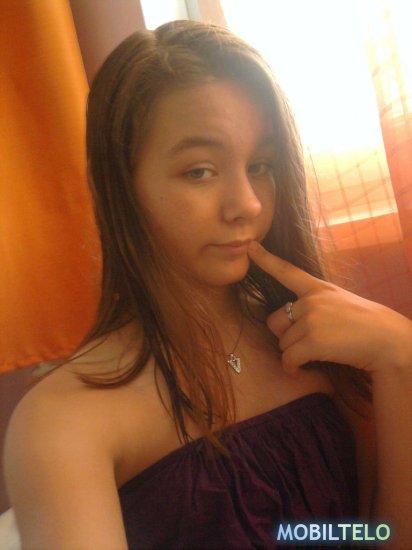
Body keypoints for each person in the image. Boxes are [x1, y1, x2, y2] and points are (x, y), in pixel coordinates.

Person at [4, 19, 412, 550]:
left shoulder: (318, 343)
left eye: (260, 165)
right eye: (200, 171)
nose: (247, 204)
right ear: (123, 186)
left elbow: (378, 536)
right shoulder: (65, 424)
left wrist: (399, 356)